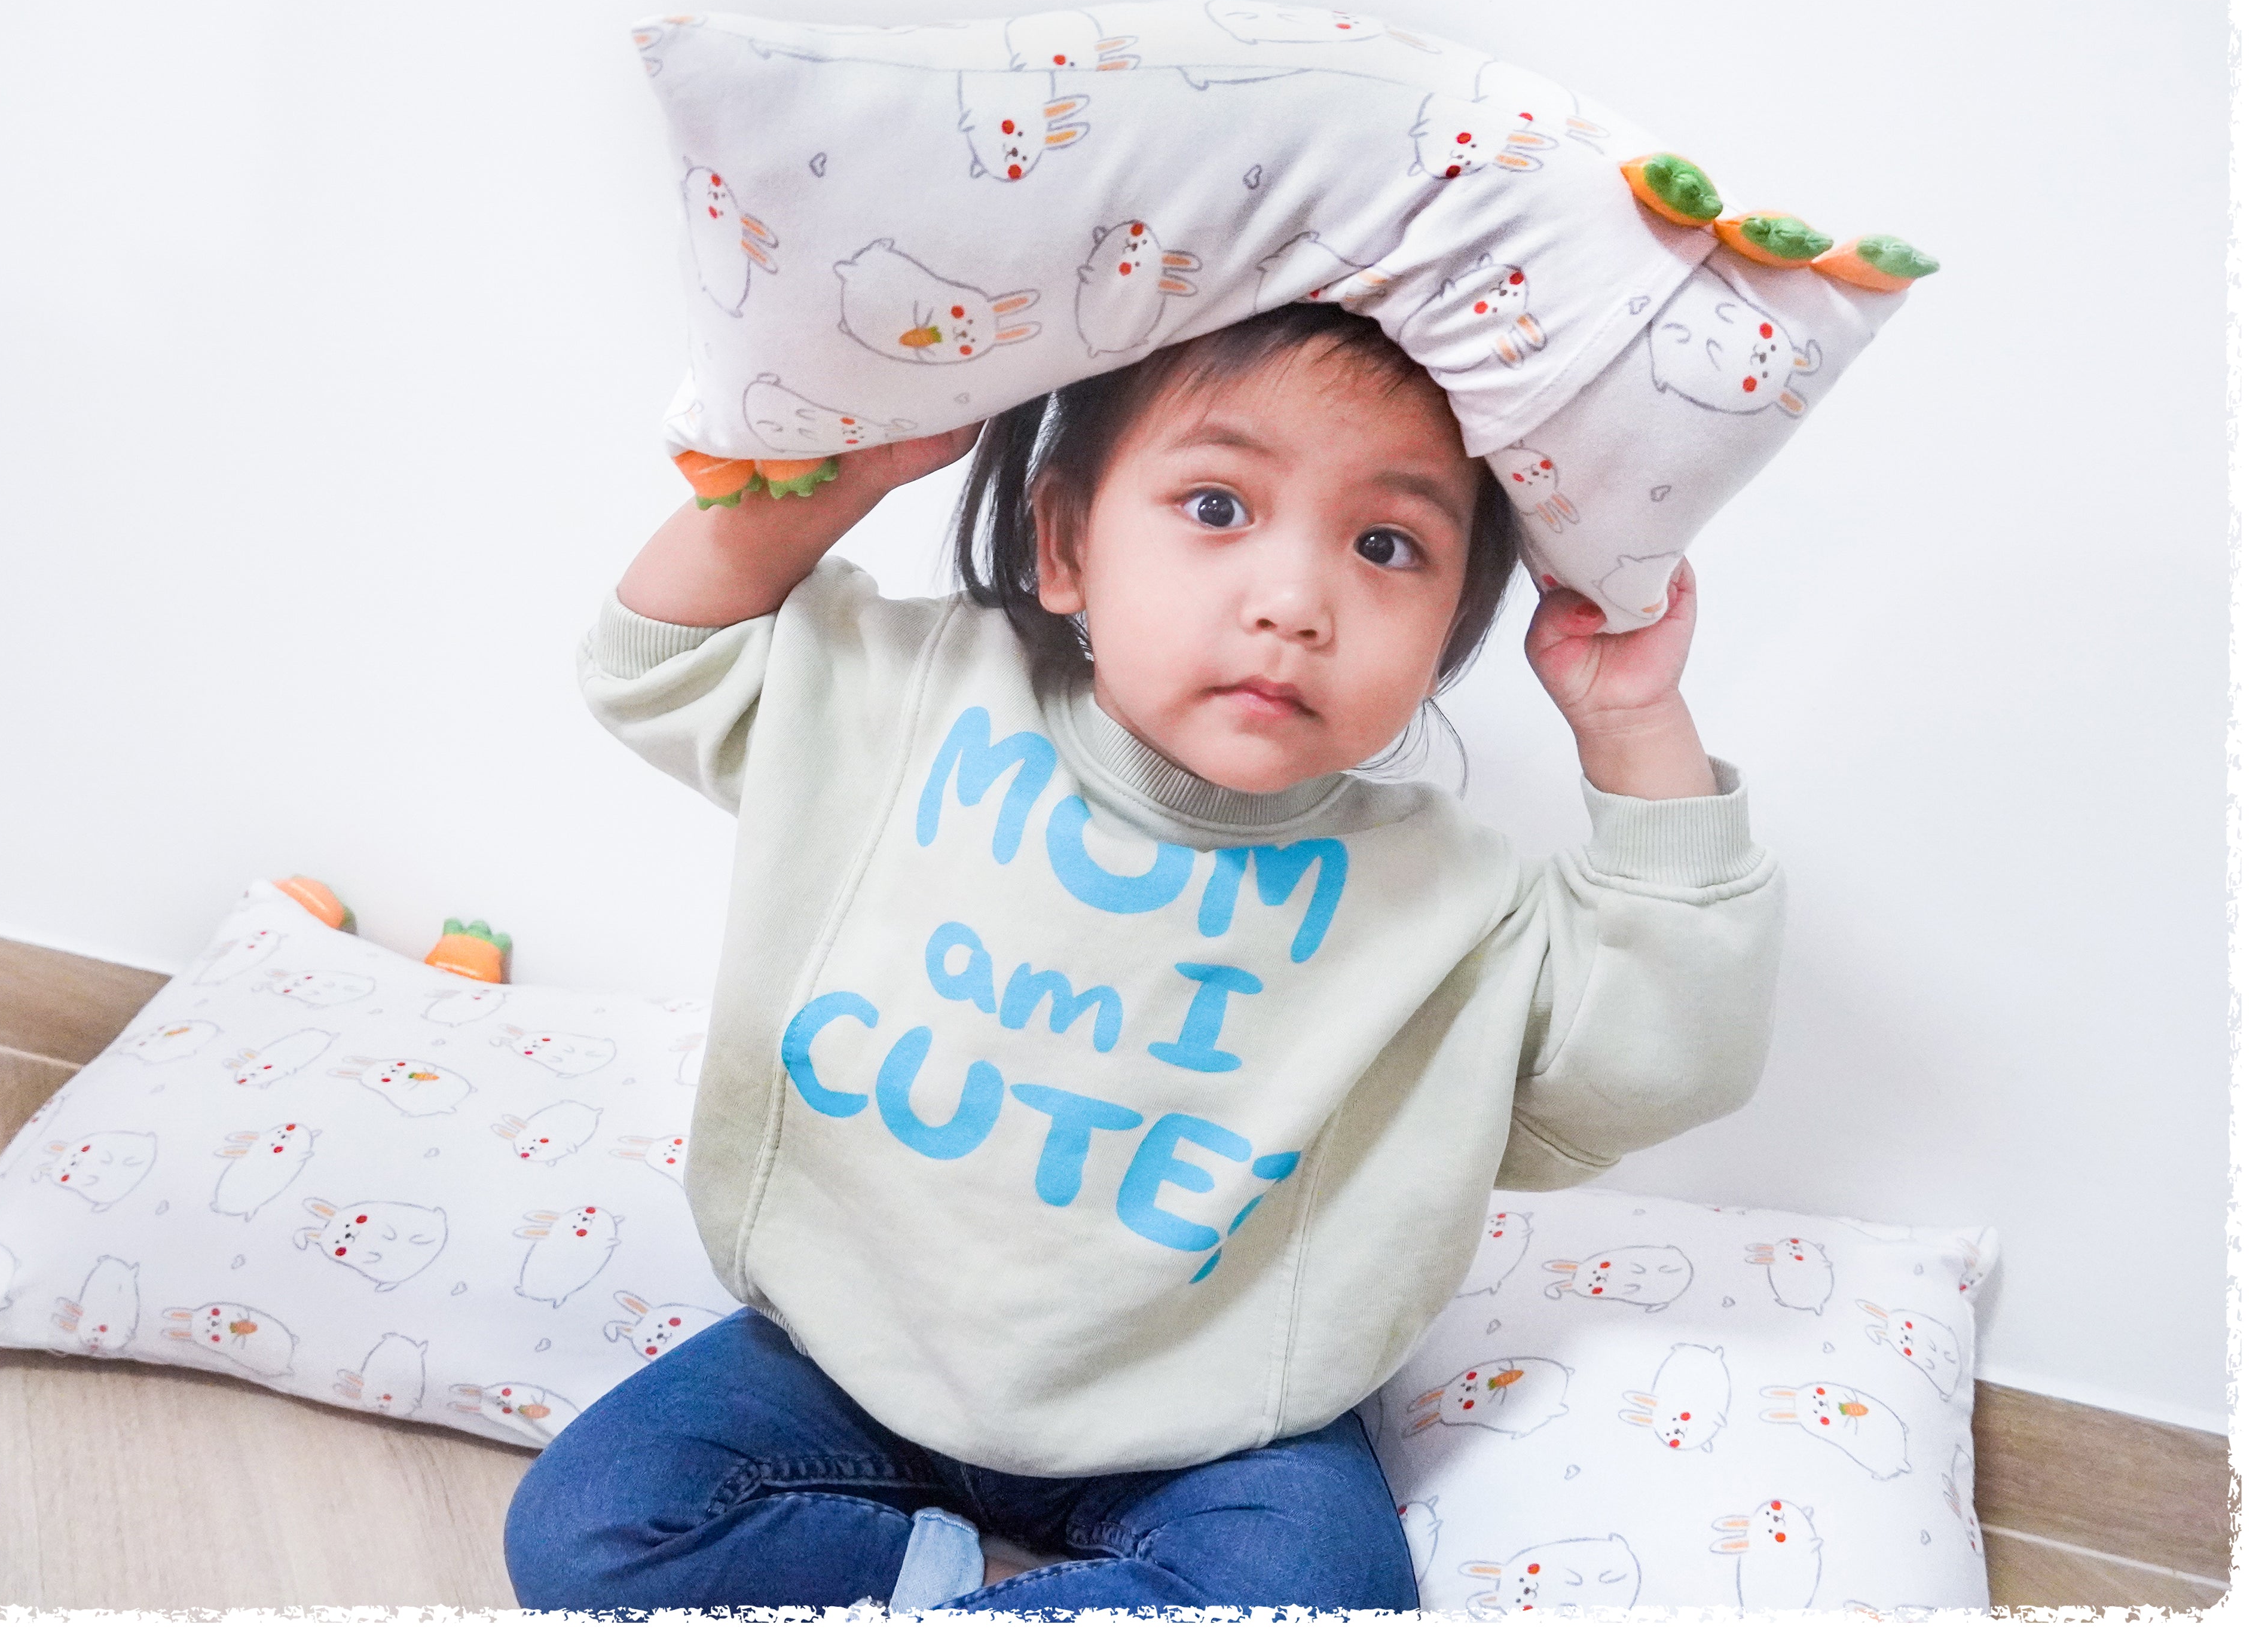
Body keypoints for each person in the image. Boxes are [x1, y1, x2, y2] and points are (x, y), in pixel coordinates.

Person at [504, 302, 1784, 1615]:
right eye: (1218, 508)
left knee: (1319, 1601)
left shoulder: (1449, 896)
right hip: (846, 1356)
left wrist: (1634, 734)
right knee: (591, 1531)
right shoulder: (916, 698)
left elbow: (1655, 1061)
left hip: (1220, 1419)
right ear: (1062, 544)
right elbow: (657, 663)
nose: (1294, 604)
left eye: (1386, 545)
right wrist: (845, 466)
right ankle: (924, 1575)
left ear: (1454, 623)